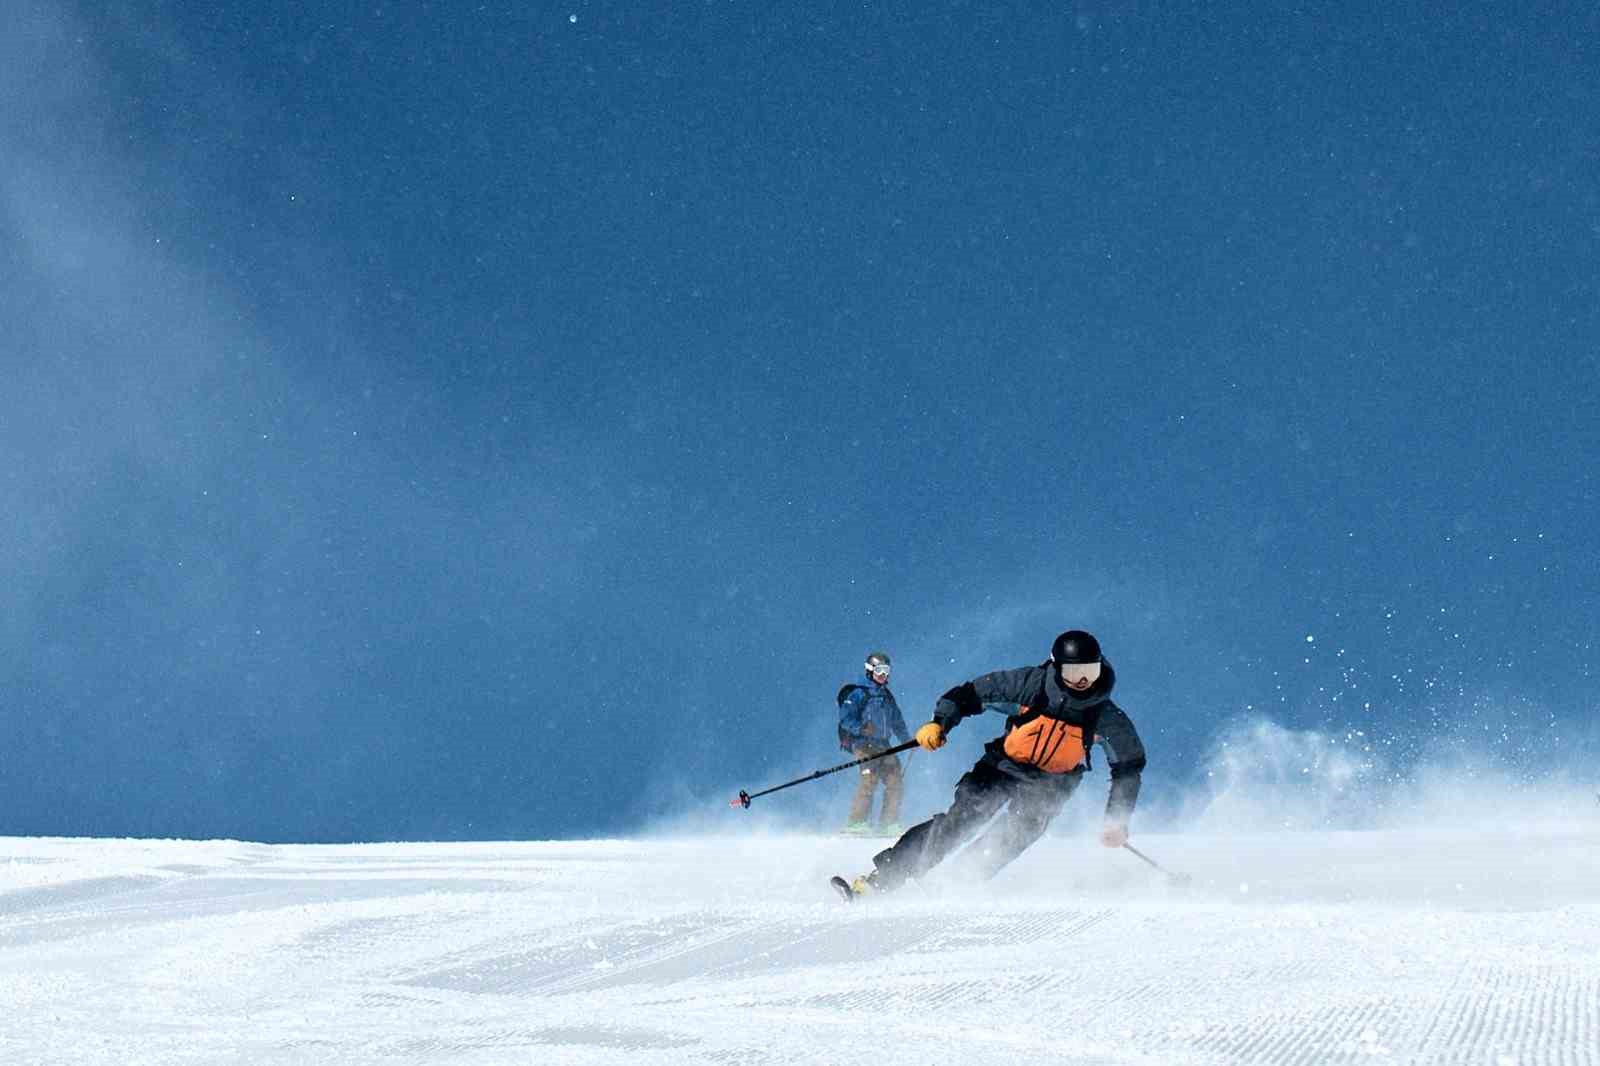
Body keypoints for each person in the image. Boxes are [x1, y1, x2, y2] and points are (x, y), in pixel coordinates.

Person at [840, 630, 1145, 895]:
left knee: (1010, 838)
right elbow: (967, 695)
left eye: (1089, 673)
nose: (1081, 682)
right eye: (1073, 673)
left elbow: (1128, 766)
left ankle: (956, 885)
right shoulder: (1030, 685)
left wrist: (1116, 819)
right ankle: (883, 880)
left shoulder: (1104, 716)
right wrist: (940, 724)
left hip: (1052, 785)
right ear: (1056, 667)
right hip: (1003, 767)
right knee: (960, 821)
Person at [836, 651, 912, 835]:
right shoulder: (858, 693)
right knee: (869, 780)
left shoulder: (887, 697)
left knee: (895, 780)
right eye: (880, 670)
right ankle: (856, 823)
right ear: (870, 670)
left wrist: (907, 741)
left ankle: (888, 823)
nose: (884, 674)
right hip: (863, 744)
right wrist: (861, 728)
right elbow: (845, 719)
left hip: (883, 745)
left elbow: (897, 721)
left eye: (887, 670)